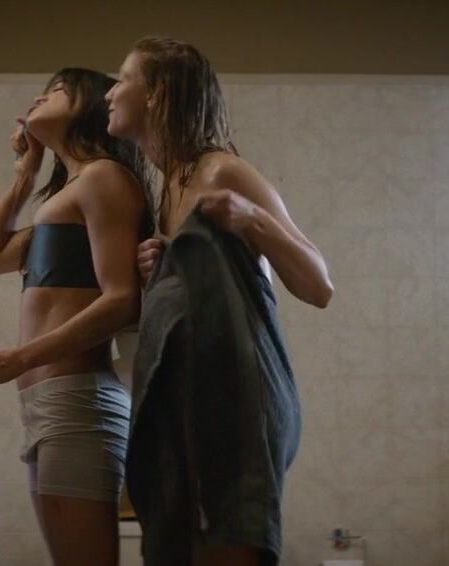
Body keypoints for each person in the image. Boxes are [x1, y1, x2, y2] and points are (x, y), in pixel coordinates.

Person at [104, 37, 333, 565]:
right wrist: (164, 264)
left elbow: (319, 284)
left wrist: (252, 218)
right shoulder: (168, 188)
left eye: (123, 79)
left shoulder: (223, 171)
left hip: (240, 406)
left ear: (158, 94)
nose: (110, 93)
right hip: (192, 405)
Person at [0, 68, 152, 566]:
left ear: (90, 105)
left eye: (56, 90)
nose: (39, 97)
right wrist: (24, 175)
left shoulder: (104, 176)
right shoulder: (65, 197)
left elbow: (123, 299)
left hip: (78, 402)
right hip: (49, 405)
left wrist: (15, 360)